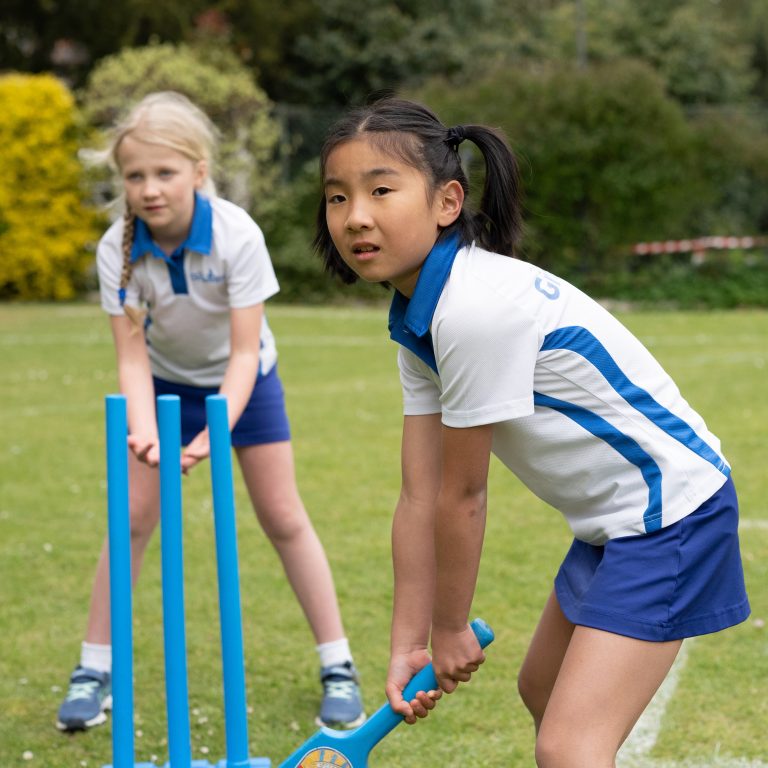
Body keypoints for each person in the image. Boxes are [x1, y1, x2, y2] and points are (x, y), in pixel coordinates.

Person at [313, 97, 750, 767]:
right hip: (616, 523)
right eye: (338, 197)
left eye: (380, 190)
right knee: (542, 690)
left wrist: (452, 626)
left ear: (447, 201)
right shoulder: (419, 320)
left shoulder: (472, 310)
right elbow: (418, 496)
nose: (356, 217)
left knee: (568, 748)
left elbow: (462, 495)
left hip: (671, 516)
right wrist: (411, 643)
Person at [57, 91, 365, 733]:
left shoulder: (235, 234)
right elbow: (133, 360)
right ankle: (93, 670)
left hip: (244, 379)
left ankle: (339, 668)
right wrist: (144, 431)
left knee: (282, 515)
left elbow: (246, 350)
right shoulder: (118, 248)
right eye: (135, 175)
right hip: (164, 385)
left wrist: (216, 425)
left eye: (164, 173)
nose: (148, 188)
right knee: (134, 517)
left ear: (199, 172)